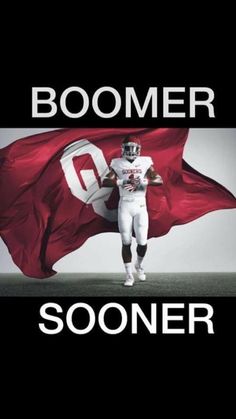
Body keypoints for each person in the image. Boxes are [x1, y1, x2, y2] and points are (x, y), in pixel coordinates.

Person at [102, 135, 163, 286]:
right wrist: (124, 181)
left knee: (142, 242)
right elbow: (105, 181)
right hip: (125, 205)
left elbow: (158, 180)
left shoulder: (145, 162)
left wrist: (141, 182)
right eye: (127, 148)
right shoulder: (117, 163)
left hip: (140, 205)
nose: (130, 151)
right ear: (122, 149)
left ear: (139, 149)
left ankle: (139, 265)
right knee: (126, 241)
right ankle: (129, 275)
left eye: (133, 148)